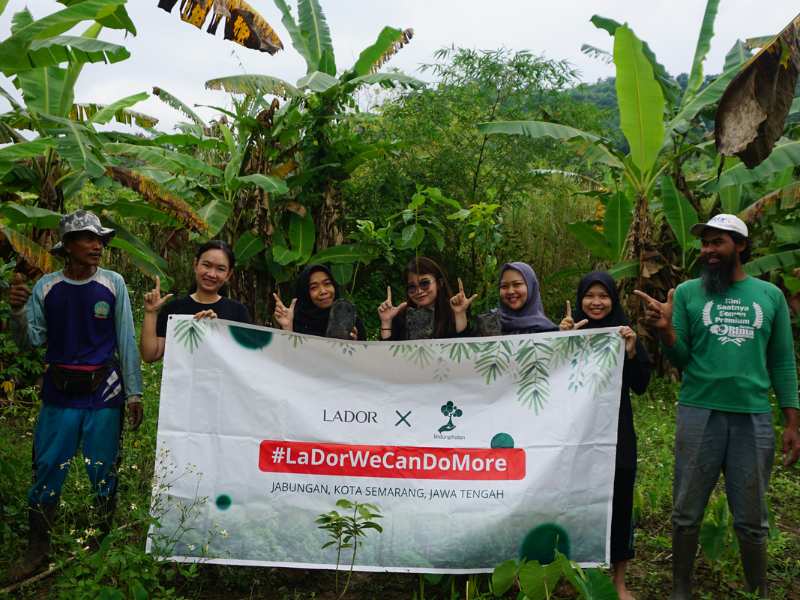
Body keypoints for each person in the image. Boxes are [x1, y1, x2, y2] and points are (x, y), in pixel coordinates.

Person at [634, 214, 799, 600]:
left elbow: (782, 361)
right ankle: (680, 589)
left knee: (752, 517)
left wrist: (792, 421)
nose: (708, 250)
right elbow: (683, 358)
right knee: (686, 510)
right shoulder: (689, 293)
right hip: (699, 411)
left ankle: (756, 589)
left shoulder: (769, 296)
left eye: (717, 242)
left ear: (740, 246)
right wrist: (667, 332)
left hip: (753, 416)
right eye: (705, 243)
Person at [6, 210, 143, 582]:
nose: (97, 245)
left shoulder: (113, 284)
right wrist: (17, 310)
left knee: (103, 470)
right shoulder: (46, 287)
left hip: (104, 392)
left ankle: (101, 544)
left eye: (100, 239)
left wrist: (134, 393)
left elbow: (126, 340)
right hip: (59, 393)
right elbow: (29, 341)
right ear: (67, 245)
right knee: (48, 467)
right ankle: (37, 550)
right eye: (87, 238)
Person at [560, 272, 650, 600]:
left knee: (621, 500)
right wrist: (560, 341)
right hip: (576, 432)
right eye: (589, 296)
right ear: (580, 298)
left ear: (613, 300)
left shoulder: (625, 335)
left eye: (604, 296)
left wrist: (630, 351)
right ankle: (577, 573)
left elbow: (641, 385)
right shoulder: (569, 332)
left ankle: (619, 581)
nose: (596, 302)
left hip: (616, 431)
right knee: (576, 500)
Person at [140, 240, 250, 363]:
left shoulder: (238, 312)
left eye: (220, 269)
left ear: (228, 274)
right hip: (181, 382)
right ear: (195, 264)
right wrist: (150, 312)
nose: (212, 274)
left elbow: (244, 360)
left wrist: (215, 329)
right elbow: (150, 355)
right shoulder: (173, 310)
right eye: (207, 265)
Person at [377, 256, 476, 340]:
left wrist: (459, 314)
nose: (419, 291)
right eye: (412, 287)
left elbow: (463, 351)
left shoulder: (452, 311)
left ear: (439, 283)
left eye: (424, 283)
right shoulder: (401, 316)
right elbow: (387, 355)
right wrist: (386, 322)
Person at [272, 264, 366, 340]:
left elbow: (364, 359)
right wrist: (288, 328)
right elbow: (287, 359)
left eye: (327, 284)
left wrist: (354, 346)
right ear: (305, 292)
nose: (323, 291)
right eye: (314, 287)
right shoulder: (296, 321)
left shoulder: (348, 319)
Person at [496, 262, 557, 334]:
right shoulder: (489, 324)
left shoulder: (547, 330)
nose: (510, 291)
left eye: (517, 284)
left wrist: (566, 335)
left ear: (531, 287)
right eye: (504, 286)